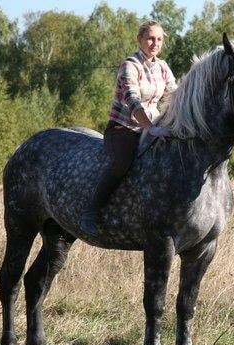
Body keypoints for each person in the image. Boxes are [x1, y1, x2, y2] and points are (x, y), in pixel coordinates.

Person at [80, 20, 177, 236]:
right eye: (150, 38)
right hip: (123, 128)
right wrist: (150, 128)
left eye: (159, 39)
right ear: (140, 39)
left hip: (151, 128)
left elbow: (175, 97)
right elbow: (132, 101)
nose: (155, 43)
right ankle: (91, 212)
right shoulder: (130, 65)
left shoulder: (163, 67)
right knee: (122, 164)